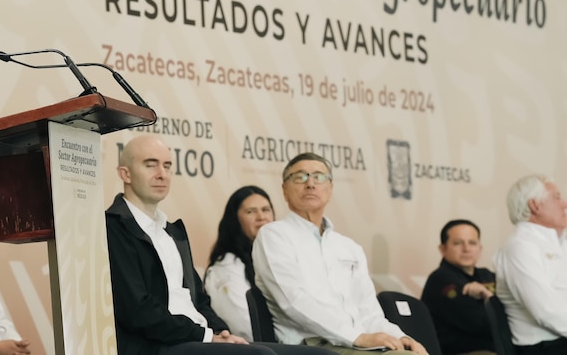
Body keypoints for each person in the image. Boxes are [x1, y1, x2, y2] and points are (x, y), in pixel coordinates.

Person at [104, 135, 331, 355]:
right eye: (150, 165)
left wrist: (221, 332)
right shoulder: (114, 227)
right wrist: (204, 335)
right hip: (154, 345)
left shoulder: (172, 232)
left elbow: (200, 300)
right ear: (126, 174)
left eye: (167, 165)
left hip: (198, 338)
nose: (162, 174)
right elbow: (138, 311)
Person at [252, 152, 428, 355]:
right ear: (284, 189)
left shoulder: (348, 246)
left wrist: (401, 337)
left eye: (318, 177)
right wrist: (357, 337)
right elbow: (294, 301)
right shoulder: (274, 235)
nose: (310, 184)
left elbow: (369, 311)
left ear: (330, 188)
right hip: (312, 346)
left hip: (359, 343)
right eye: (300, 177)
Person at [494, 174, 567, 354]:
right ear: (535, 205)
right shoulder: (520, 247)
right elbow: (546, 311)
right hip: (545, 347)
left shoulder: (558, 241)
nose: (564, 204)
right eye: (556, 197)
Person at [205, 186, 276, 341]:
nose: (261, 217)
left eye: (266, 210)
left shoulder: (276, 257)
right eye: (251, 211)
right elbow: (245, 326)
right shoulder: (226, 266)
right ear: (235, 220)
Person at [420, 220, 496, 355]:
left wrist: (489, 298)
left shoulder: (487, 275)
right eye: (457, 243)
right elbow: (484, 323)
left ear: (480, 248)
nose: (466, 249)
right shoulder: (440, 280)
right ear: (443, 249)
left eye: (472, 243)